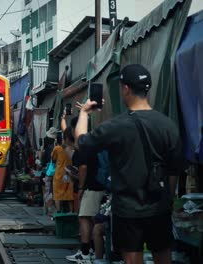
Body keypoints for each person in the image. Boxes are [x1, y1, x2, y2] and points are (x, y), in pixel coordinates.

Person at [75, 64, 183, 264]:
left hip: (127, 209)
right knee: (163, 257)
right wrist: (166, 200)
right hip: (159, 207)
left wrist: (84, 114)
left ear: (125, 89)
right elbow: (174, 170)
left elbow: (81, 143)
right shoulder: (168, 126)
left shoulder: (116, 125)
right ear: (147, 89)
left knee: (132, 259)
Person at [65, 116, 105, 263]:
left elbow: (83, 167)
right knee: (93, 219)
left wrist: (81, 187)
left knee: (84, 218)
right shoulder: (93, 141)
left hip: (92, 187)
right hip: (99, 185)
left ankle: (85, 252)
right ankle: (94, 250)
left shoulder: (84, 144)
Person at [52, 127, 75, 213]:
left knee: (57, 194)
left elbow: (53, 159)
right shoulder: (72, 148)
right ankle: (71, 211)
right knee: (69, 194)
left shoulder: (57, 148)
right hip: (69, 172)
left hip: (59, 174)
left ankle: (58, 211)